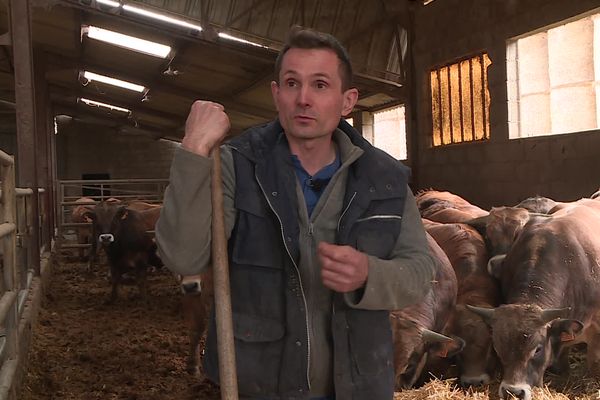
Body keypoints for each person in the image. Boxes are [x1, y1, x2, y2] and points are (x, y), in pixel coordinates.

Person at [156, 26, 437, 400]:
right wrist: (193, 148)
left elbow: (419, 273)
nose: (303, 98)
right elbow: (182, 255)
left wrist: (370, 273)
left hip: (356, 385)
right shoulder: (238, 166)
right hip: (256, 386)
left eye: (320, 85)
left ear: (347, 100)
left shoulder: (383, 180)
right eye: (292, 83)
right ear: (276, 94)